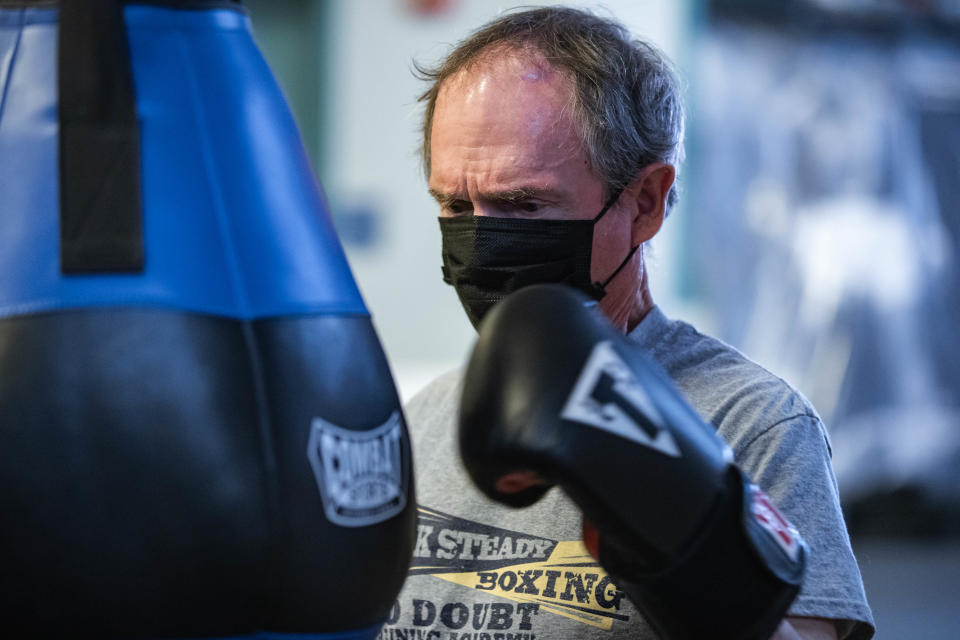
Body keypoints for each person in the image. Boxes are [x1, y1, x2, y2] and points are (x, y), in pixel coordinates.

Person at [380, 6, 874, 640]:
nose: (481, 240)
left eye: (523, 203)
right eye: (454, 204)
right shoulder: (424, 419)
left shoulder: (753, 423)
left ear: (644, 204)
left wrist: (689, 544)